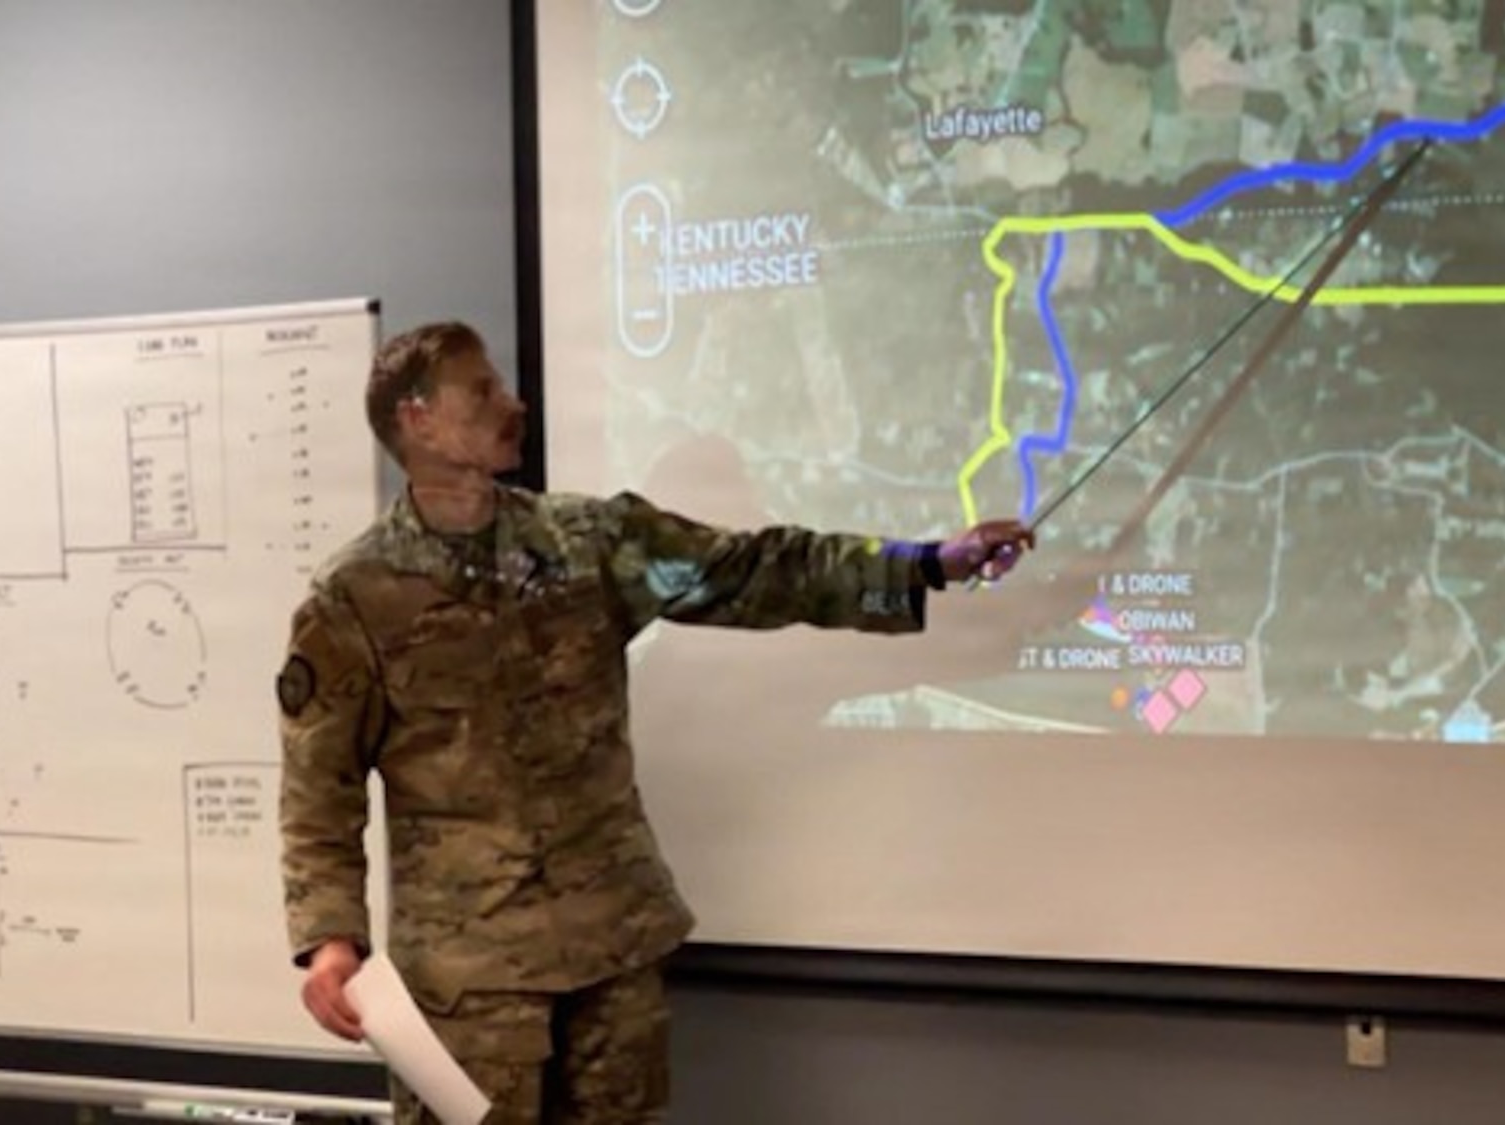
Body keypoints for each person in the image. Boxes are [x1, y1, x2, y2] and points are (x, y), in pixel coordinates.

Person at [276, 320, 1034, 1125]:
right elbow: (318, 790)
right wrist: (331, 941)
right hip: (469, 985)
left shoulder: (589, 543)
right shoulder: (355, 597)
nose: (514, 402)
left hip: (612, 949)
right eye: (484, 390)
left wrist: (922, 565)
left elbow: (753, 569)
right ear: (418, 419)